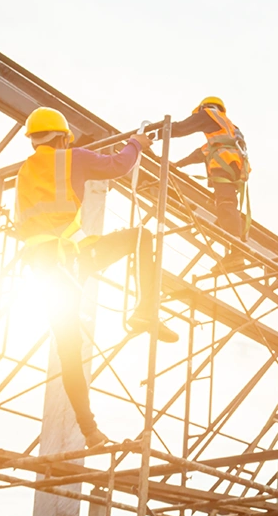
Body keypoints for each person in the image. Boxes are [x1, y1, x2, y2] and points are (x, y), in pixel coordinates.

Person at [16, 107, 179, 449]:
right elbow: (118, 166)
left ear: (33, 140)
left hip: (48, 269)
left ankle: (90, 433)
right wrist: (136, 143)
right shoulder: (72, 158)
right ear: (62, 137)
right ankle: (145, 310)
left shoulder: (24, 173)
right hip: (72, 260)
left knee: (69, 350)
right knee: (141, 237)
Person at [170, 96, 250, 270]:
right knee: (225, 206)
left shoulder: (208, 114)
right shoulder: (227, 131)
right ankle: (233, 248)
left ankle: (237, 252)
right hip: (233, 168)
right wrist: (177, 164)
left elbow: (181, 128)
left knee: (226, 205)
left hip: (225, 166)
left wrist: (155, 133)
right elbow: (201, 153)